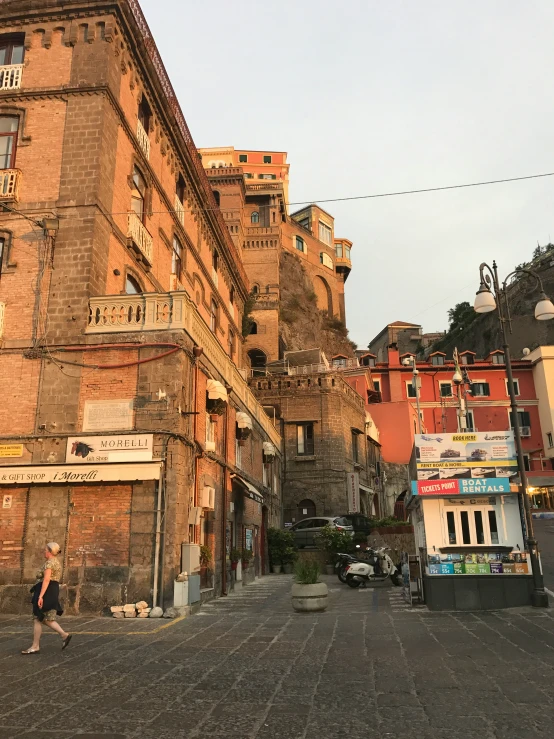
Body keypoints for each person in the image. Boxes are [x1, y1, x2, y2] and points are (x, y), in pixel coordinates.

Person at [21, 542, 72, 654]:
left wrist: (40, 596)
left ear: (49, 551)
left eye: (45, 550)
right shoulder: (56, 562)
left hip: (46, 591)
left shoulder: (49, 563)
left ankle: (35, 646)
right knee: (46, 618)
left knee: (38, 617)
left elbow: (46, 580)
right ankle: (64, 635)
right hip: (50, 590)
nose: (43, 551)